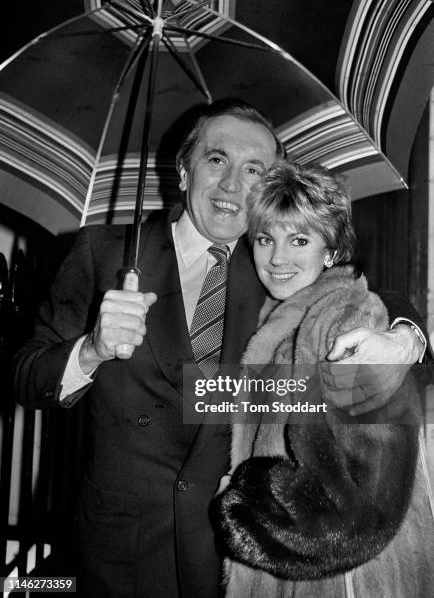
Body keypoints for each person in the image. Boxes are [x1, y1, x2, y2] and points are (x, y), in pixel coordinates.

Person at [13, 99, 429, 598]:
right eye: (217, 160)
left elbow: (360, 293)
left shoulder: (273, 263)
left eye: (254, 169)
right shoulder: (103, 253)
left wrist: (405, 335)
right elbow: (26, 376)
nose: (233, 184)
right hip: (119, 551)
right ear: (185, 172)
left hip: (231, 557)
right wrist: (91, 350)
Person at [216, 161, 434, 597]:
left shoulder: (347, 320)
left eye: (299, 240)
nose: (277, 258)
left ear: (331, 251)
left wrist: (244, 503)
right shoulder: (280, 321)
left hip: (345, 581)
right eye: (265, 239)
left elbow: (365, 509)